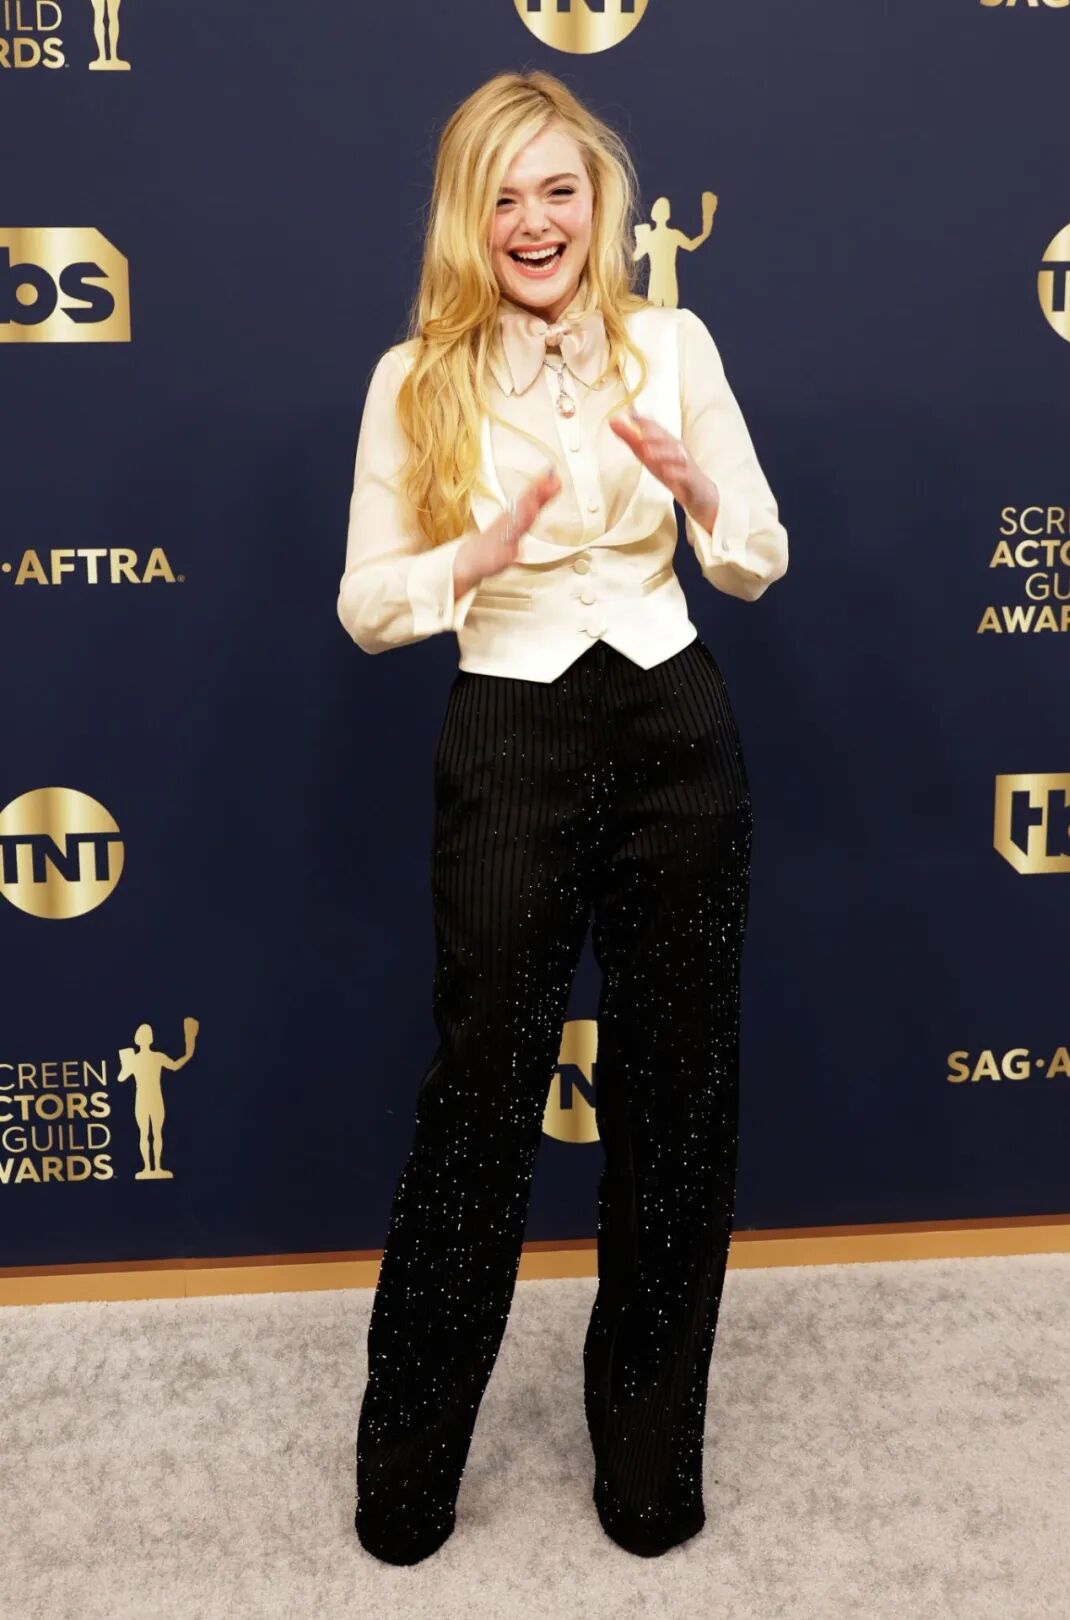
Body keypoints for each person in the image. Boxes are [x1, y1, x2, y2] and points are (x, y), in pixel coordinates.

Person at [337, 69, 788, 1566]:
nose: (535, 222)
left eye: (560, 190)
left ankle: (649, 1470)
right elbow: (366, 604)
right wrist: (464, 563)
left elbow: (759, 554)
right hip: (510, 734)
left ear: (602, 203)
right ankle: (407, 1484)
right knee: (480, 1101)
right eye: (504, 197)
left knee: (681, 1099)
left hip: (676, 726)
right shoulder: (415, 378)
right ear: (468, 219)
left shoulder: (675, 344)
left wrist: (701, 496)